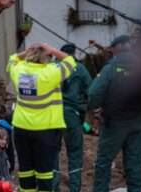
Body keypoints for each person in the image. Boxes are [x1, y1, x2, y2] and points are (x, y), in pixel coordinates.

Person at [7, 43, 77, 191]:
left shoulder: (19, 71)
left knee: (25, 170)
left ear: (29, 57)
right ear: (46, 58)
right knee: (44, 172)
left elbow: (12, 60)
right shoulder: (51, 73)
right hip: (45, 130)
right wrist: (52, 49)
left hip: (21, 128)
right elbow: (70, 62)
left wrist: (24, 52)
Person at [88, 35, 141, 192]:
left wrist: (96, 109)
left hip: (114, 123)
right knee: (134, 164)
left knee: (104, 162)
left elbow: (94, 93)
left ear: (115, 49)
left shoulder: (111, 67)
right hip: (137, 122)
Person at [52, 43, 92, 192]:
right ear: (74, 53)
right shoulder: (81, 69)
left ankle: (53, 187)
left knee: (52, 152)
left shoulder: (53, 67)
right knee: (75, 153)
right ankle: (75, 189)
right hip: (73, 116)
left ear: (60, 53)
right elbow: (91, 92)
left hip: (53, 115)